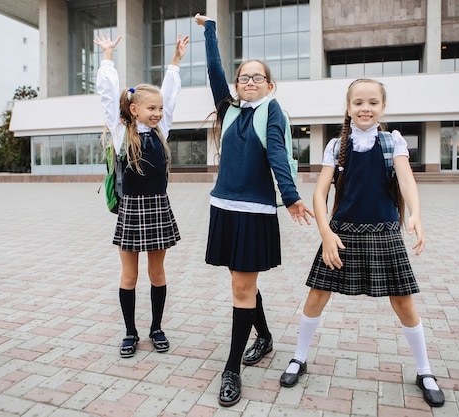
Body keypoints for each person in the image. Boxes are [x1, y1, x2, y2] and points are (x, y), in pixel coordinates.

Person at [278, 78, 445, 408]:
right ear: (348, 107)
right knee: (316, 296)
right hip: (341, 234)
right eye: (358, 102)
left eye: (372, 102)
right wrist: (325, 233)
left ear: (383, 107)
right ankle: (299, 357)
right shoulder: (336, 145)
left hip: (384, 233)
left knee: (404, 302)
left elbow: (407, 179)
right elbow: (320, 192)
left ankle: (424, 371)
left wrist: (416, 214)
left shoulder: (392, 141)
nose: (365, 108)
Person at [194, 14, 315, 407]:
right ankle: (262, 337)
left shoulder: (272, 111)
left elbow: (278, 154)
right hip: (223, 208)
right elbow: (214, 68)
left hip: (254, 212)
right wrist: (210, 29)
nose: (248, 82)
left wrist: (292, 196)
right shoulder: (228, 108)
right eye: (243, 77)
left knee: (241, 288)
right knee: (242, 284)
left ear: (269, 84)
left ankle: (232, 369)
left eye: (256, 77)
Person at [94, 31, 189, 359]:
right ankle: (130, 332)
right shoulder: (121, 131)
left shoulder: (162, 129)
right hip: (131, 211)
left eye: (160, 109)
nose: (158, 113)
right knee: (130, 274)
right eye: (151, 108)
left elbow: (171, 94)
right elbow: (107, 94)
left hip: (158, 208)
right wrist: (107, 56)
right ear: (134, 109)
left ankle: (157, 328)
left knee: (157, 273)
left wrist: (176, 61)